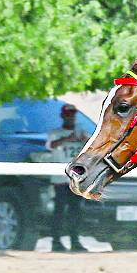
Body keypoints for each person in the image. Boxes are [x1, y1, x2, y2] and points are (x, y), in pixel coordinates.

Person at [47, 104, 88, 252]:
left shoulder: (81, 132)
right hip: (60, 179)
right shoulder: (56, 133)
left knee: (75, 211)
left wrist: (84, 139)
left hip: (77, 179)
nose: (71, 117)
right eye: (68, 114)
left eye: (73, 114)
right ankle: (56, 241)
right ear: (63, 116)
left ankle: (74, 240)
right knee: (59, 210)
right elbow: (50, 145)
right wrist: (67, 138)